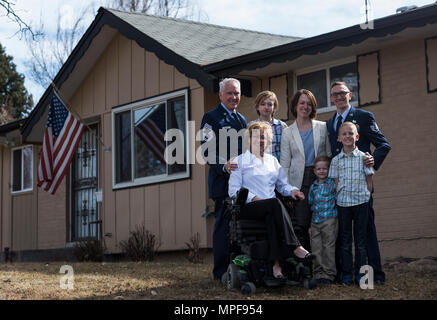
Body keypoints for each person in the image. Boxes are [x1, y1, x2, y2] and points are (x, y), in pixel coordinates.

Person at [229, 121, 315, 279]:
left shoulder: (272, 161)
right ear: (249, 139)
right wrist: (253, 197)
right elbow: (233, 191)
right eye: (256, 137)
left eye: (263, 138)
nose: (259, 141)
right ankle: (296, 247)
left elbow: (282, 185)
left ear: (268, 141)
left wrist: (293, 190)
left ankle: (276, 266)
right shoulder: (239, 161)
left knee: (272, 212)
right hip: (248, 208)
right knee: (274, 203)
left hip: (270, 208)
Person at [326, 81, 391, 284]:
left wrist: (373, 160)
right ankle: (344, 274)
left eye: (342, 93)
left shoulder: (363, 117)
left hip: (361, 187)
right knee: (343, 236)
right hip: (343, 192)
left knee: (366, 234)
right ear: (331, 98)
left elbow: (383, 144)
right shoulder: (330, 122)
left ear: (350, 95)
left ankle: (374, 275)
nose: (338, 97)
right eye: (334, 94)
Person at [200, 78, 247, 281]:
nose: (233, 97)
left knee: (239, 228)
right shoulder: (210, 118)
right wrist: (223, 165)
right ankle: (220, 272)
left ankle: (237, 269)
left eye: (236, 93)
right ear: (220, 95)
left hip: (242, 185)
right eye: (229, 93)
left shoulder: (242, 120)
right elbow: (206, 150)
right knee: (223, 228)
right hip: (222, 184)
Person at [280, 89, 331, 255]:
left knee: (324, 223)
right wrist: (287, 190)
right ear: (295, 106)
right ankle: (306, 265)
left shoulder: (323, 127)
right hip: (298, 183)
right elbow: (285, 164)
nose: (305, 106)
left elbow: (329, 155)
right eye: (302, 103)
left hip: (321, 179)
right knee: (301, 224)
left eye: (309, 104)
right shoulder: (287, 132)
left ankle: (326, 265)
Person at [329, 121, 374, 286]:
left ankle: (363, 277)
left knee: (361, 242)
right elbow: (335, 183)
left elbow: (370, 182)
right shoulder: (336, 161)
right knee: (346, 241)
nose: (348, 136)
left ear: (357, 136)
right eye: (344, 134)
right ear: (339, 138)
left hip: (361, 203)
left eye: (351, 133)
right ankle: (347, 276)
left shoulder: (364, 158)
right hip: (343, 205)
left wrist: (367, 196)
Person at [308, 156, 338, 285]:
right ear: (315, 171)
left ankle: (328, 274)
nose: (321, 171)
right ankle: (318, 273)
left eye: (324, 169)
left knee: (328, 247)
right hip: (315, 221)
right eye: (319, 169)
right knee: (316, 248)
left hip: (329, 219)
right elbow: (311, 203)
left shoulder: (332, 183)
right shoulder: (313, 187)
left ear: (329, 170)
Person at [248, 91, 288, 161]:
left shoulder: (282, 126)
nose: (266, 107)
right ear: (257, 107)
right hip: (257, 167)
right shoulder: (251, 126)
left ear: (274, 107)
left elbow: (287, 149)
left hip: (278, 168)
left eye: (270, 104)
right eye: (262, 104)